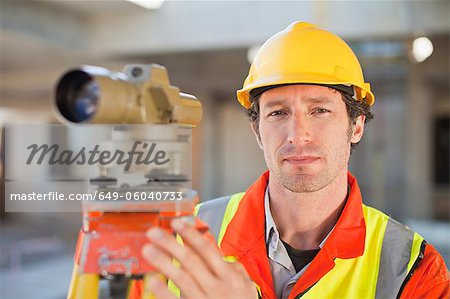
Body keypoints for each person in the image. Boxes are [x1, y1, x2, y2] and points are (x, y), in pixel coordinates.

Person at [131, 21, 449, 299]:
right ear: (257, 130)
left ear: (356, 125)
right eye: (279, 112)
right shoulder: (181, 238)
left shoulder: (414, 269)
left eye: (319, 110)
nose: (298, 135)